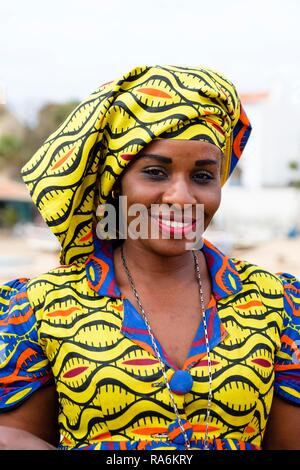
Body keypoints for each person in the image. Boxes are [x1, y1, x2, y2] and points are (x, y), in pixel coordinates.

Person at [0, 65, 299, 451]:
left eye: (203, 176)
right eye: (156, 172)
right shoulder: (42, 308)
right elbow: (14, 436)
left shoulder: (277, 302)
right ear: (115, 181)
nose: (182, 197)